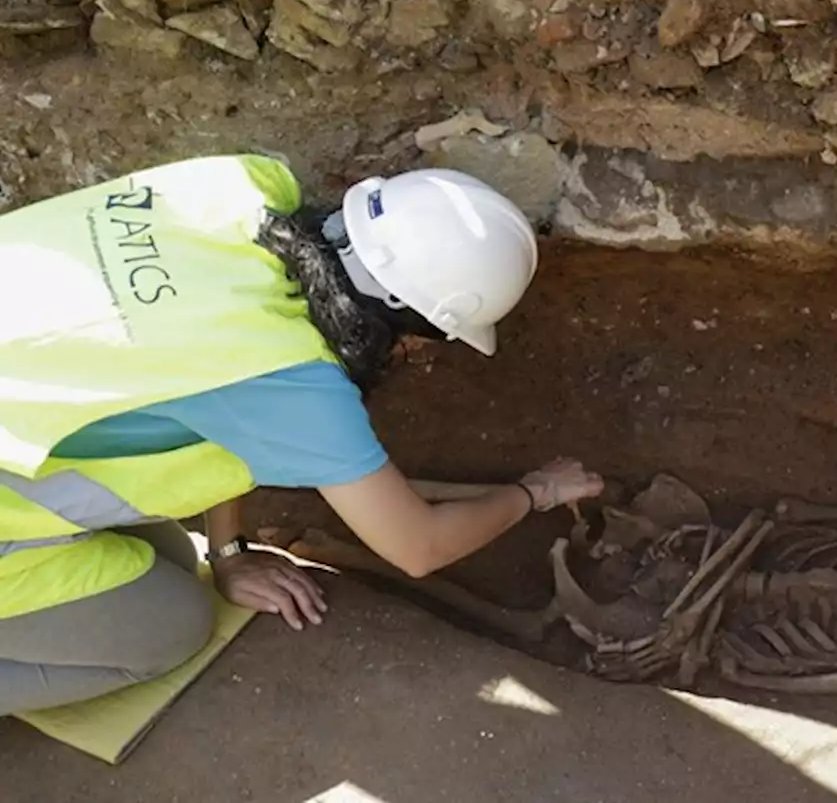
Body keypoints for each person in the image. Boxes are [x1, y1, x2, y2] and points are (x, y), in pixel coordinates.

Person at [0, 154, 605, 715]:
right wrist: (535, 492)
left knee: (167, 557)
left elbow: (211, 382)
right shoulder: (292, 382)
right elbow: (418, 546)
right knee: (169, 626)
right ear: (405, 319)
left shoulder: (242, 185)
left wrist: (229, 554)